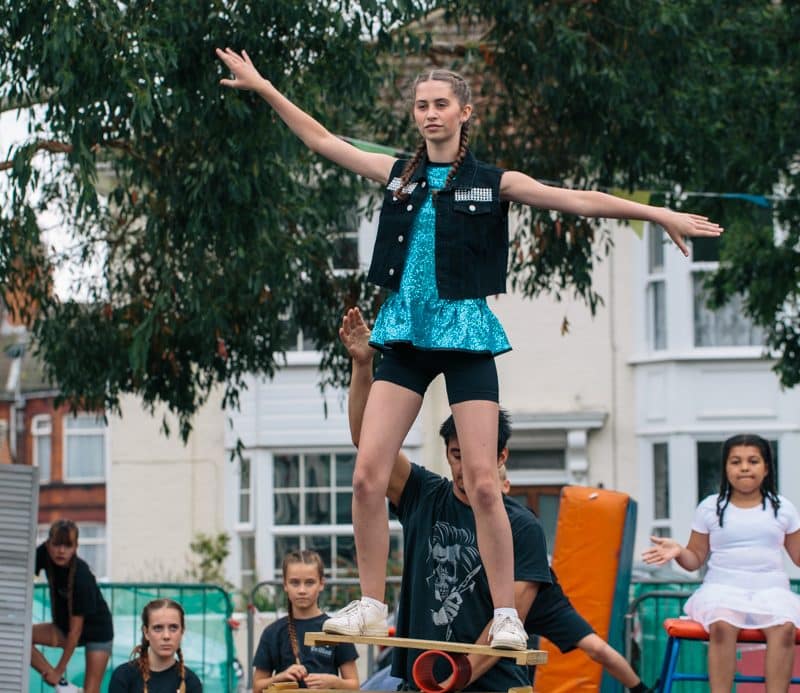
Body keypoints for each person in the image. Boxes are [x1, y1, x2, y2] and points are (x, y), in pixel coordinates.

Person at [216, 47, 724, 649]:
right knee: (365, 477)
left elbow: (576, 198)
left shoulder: (494, 182)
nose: (429, 114)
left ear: (464, 112)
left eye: (440, 104)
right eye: (421, 105)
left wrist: (656, 212)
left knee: (484, 483)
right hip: (406, 334)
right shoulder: (399, 172)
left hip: (464, 336)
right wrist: (265, 86)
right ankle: (372, 603)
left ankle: (507, 615)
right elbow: (324, 141)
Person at [342, 307, 653, 692]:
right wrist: (362, 368)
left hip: (485, 684)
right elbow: (367, 444)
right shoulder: (425, 494)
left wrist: (457, 676)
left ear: (500, 456)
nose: (462, 466)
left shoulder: (521, 527)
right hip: (421, 679)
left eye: (470, 453)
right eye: (455, 454)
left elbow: (510, 621)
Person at [642, 434, 800, 692]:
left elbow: (798, 556)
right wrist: (679, 550)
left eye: (753, 461)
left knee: (784, 627)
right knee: (723, 625)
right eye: (736, 462)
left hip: (772, 591)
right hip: (721, 589)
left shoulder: (784, 509)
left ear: (766, 467)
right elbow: (694, 559)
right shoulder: (710, 508)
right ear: (726, 468)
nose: (745, 468)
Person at [251, 549, 359, 692]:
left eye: (309, 583)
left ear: (321, 584)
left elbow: (354, 685)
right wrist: (280, 678)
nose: (302, 590)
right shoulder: (272, 632)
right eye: (295, 583)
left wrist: (333, 682)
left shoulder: (336, 630)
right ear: (285, 585)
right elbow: (257, 687)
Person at [32, 519, 113, 693]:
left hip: (98, 632)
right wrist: (57, 678)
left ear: (76, 547)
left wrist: (58, 670)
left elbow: (75, 632)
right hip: (64, 627)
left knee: (91, 691)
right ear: (47, 544)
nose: (61, 551)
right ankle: (63, 686)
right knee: (22, 636)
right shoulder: (43, 554)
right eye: (57, 544)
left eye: (67, 546)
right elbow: (21, 570)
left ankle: (59, 680)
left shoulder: (81, 577)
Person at [108, 598, 202, 692]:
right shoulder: (123, 677)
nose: (166, 636)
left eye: (173, 628)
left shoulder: (191, 682)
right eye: (158, 628)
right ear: (146, 632)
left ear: (182, 631)